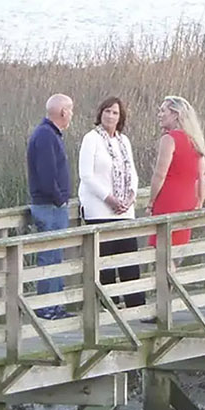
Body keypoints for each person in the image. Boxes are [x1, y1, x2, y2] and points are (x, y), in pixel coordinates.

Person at [78, 96, 143, 307]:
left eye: (115, 112)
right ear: (100, 113)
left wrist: (130, 197)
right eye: (107, 111)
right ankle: (108, 307)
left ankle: (135, 305)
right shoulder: (91, 139)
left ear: (120, 117)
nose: (110, 116)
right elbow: (86, 176)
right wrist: (110, 199)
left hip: (124, 211)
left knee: (129, 260)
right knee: (104, 263)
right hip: (100, 209)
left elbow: (132, 172)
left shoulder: (124, 141)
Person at [26, 93, 74, 319]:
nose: (71, 115)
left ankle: (55, 306)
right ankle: (47, 307)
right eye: (70, 110)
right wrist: (59, 198)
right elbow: (47, 175)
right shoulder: (46, 135)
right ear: (63, 112)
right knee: (49, 256)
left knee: (55, 256)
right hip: (49, 206)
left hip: (52, 205)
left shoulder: (49, 134)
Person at [148, 95, 205, 248]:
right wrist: (200, 201)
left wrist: (151, 202)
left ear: (175, 114)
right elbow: (202, 175)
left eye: (163, 111)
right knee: (179, 247)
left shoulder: (169, 139)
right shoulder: (194, 139)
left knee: (161, 247)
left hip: (169, 199)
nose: (159, 115)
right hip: (188, 200)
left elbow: (160, 174)